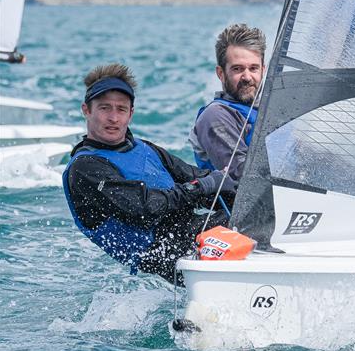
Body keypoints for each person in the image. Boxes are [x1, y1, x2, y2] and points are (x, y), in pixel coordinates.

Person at [63, 63, 237, 285]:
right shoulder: (85, 167)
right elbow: (143, 208)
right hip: (159, 254)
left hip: (192, 232)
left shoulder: (144, 148)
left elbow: (196, 176)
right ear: (86, 110)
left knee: (259, 212)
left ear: (131, 113)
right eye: (105, 108)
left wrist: (238, 189)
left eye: (121, 109)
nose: (113, 118)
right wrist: (201, 187)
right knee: (251, 226)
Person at [190, 23, 266, 180]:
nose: (247, 77)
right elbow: (244, 180)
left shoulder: (269, 109)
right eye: (237, 69)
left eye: (253, 68)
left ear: (263, 70)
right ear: (221, 73)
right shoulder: (215, 116)